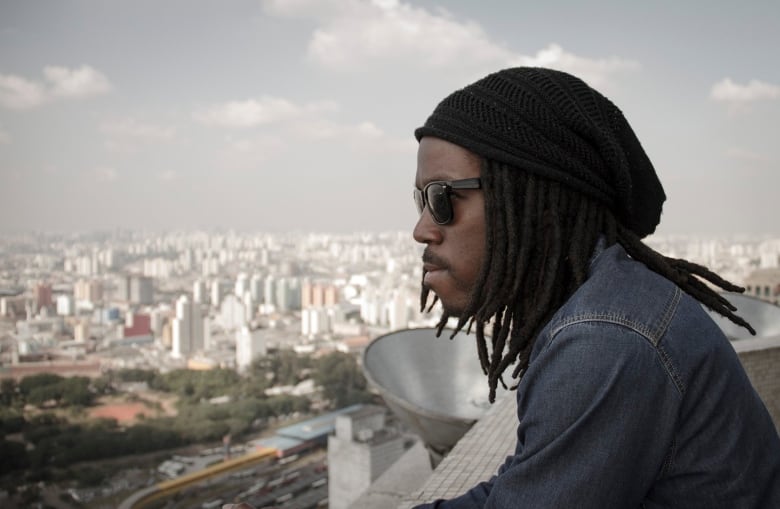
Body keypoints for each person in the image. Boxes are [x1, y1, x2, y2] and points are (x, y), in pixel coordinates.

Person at [410, 67, 780, 508]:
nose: (422, 229)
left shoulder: (605, 337)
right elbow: (524, 484)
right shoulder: (602, 302)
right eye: (421, 200)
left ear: (534, 200)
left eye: (441, 198)